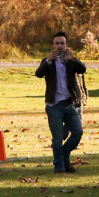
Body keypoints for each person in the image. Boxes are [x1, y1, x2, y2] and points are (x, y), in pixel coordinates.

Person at [35, 31, 87, 174]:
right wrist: (48, 61)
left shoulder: (70, 60)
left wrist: (74, 59)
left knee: (77, 132)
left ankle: (63, 156)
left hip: (69, 104)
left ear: (66, 45)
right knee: (57, 138)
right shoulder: (47, 62)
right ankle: (59, 166)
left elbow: (83, 69)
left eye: (62, 43)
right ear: (52, 45)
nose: (59, 46)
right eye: (57, 43)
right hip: (54, 105)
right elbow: (38, 74)